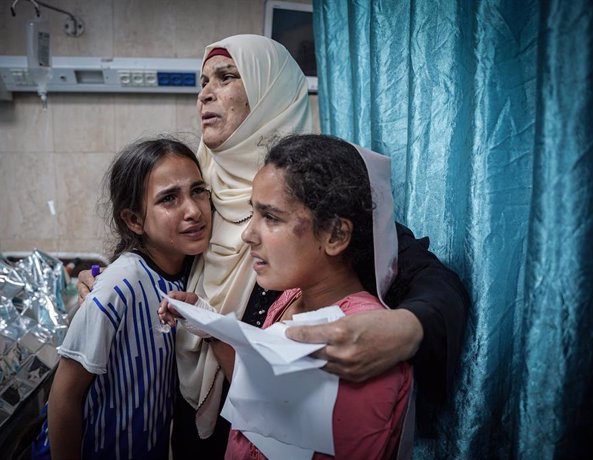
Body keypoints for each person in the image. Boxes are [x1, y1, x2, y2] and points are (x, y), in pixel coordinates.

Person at [77, 34, 469, 457]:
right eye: (202, 81)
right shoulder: (201, 194)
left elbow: (434, 282)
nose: (206, 93)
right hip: (195, 431)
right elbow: (157, 263)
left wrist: (409, 327)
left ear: (271, 93)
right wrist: (108, 280)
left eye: (226, 77)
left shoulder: (317, 194)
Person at [161, 134, 413, 459]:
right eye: (253, 214)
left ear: (335, 235)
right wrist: (208, 327)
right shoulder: (291, 296)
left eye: (271, 217)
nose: (248, 234)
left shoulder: (360, 344)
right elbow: (266, 392)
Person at [32, 138, 212, 460]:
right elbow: (64, 397)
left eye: (198, 191)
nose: (194, 210)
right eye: (169, 198)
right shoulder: (119, 285)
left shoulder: (191, 272)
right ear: (134, 220)